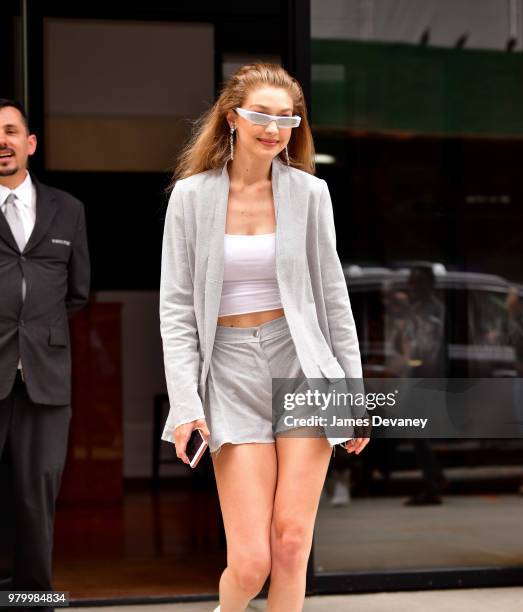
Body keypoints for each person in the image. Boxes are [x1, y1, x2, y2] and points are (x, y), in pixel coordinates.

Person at [159, 63, 369, 612]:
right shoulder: (190, 197)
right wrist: (187, 405)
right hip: (228, 370)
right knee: (251, 562)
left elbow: (334, 301)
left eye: (287, 118)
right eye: (261, 115)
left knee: (292, 542)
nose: (274, 128)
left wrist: (354, 393)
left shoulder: (310, 193)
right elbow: (177, 309)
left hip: (300, 363)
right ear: (233, 118)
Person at [0, 99, 90, 608]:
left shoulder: (67, 209)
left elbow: (78, 292)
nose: (3, 141)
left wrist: (36, 333)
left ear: (30, 144)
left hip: (45, 374)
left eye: (12, 132)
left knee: (38, 492)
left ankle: (31, 597)